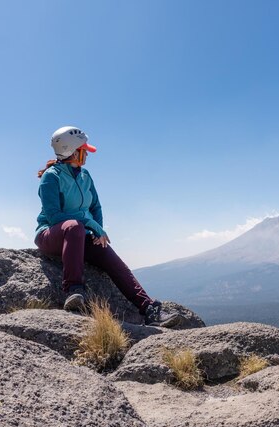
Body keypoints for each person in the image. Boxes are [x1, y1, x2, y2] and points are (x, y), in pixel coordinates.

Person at [35, 125, 182, 328]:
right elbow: (53, 216)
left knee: (113, 261)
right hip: (52, 235)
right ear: (72, 150)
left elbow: (95, 206)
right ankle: (74, 290)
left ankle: (148, 309)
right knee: (74, 226)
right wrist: (88, 223)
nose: (86, 154)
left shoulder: (85, 176)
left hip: (80, 235)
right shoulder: (52, 177)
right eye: (84, 150)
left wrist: (98, 231)